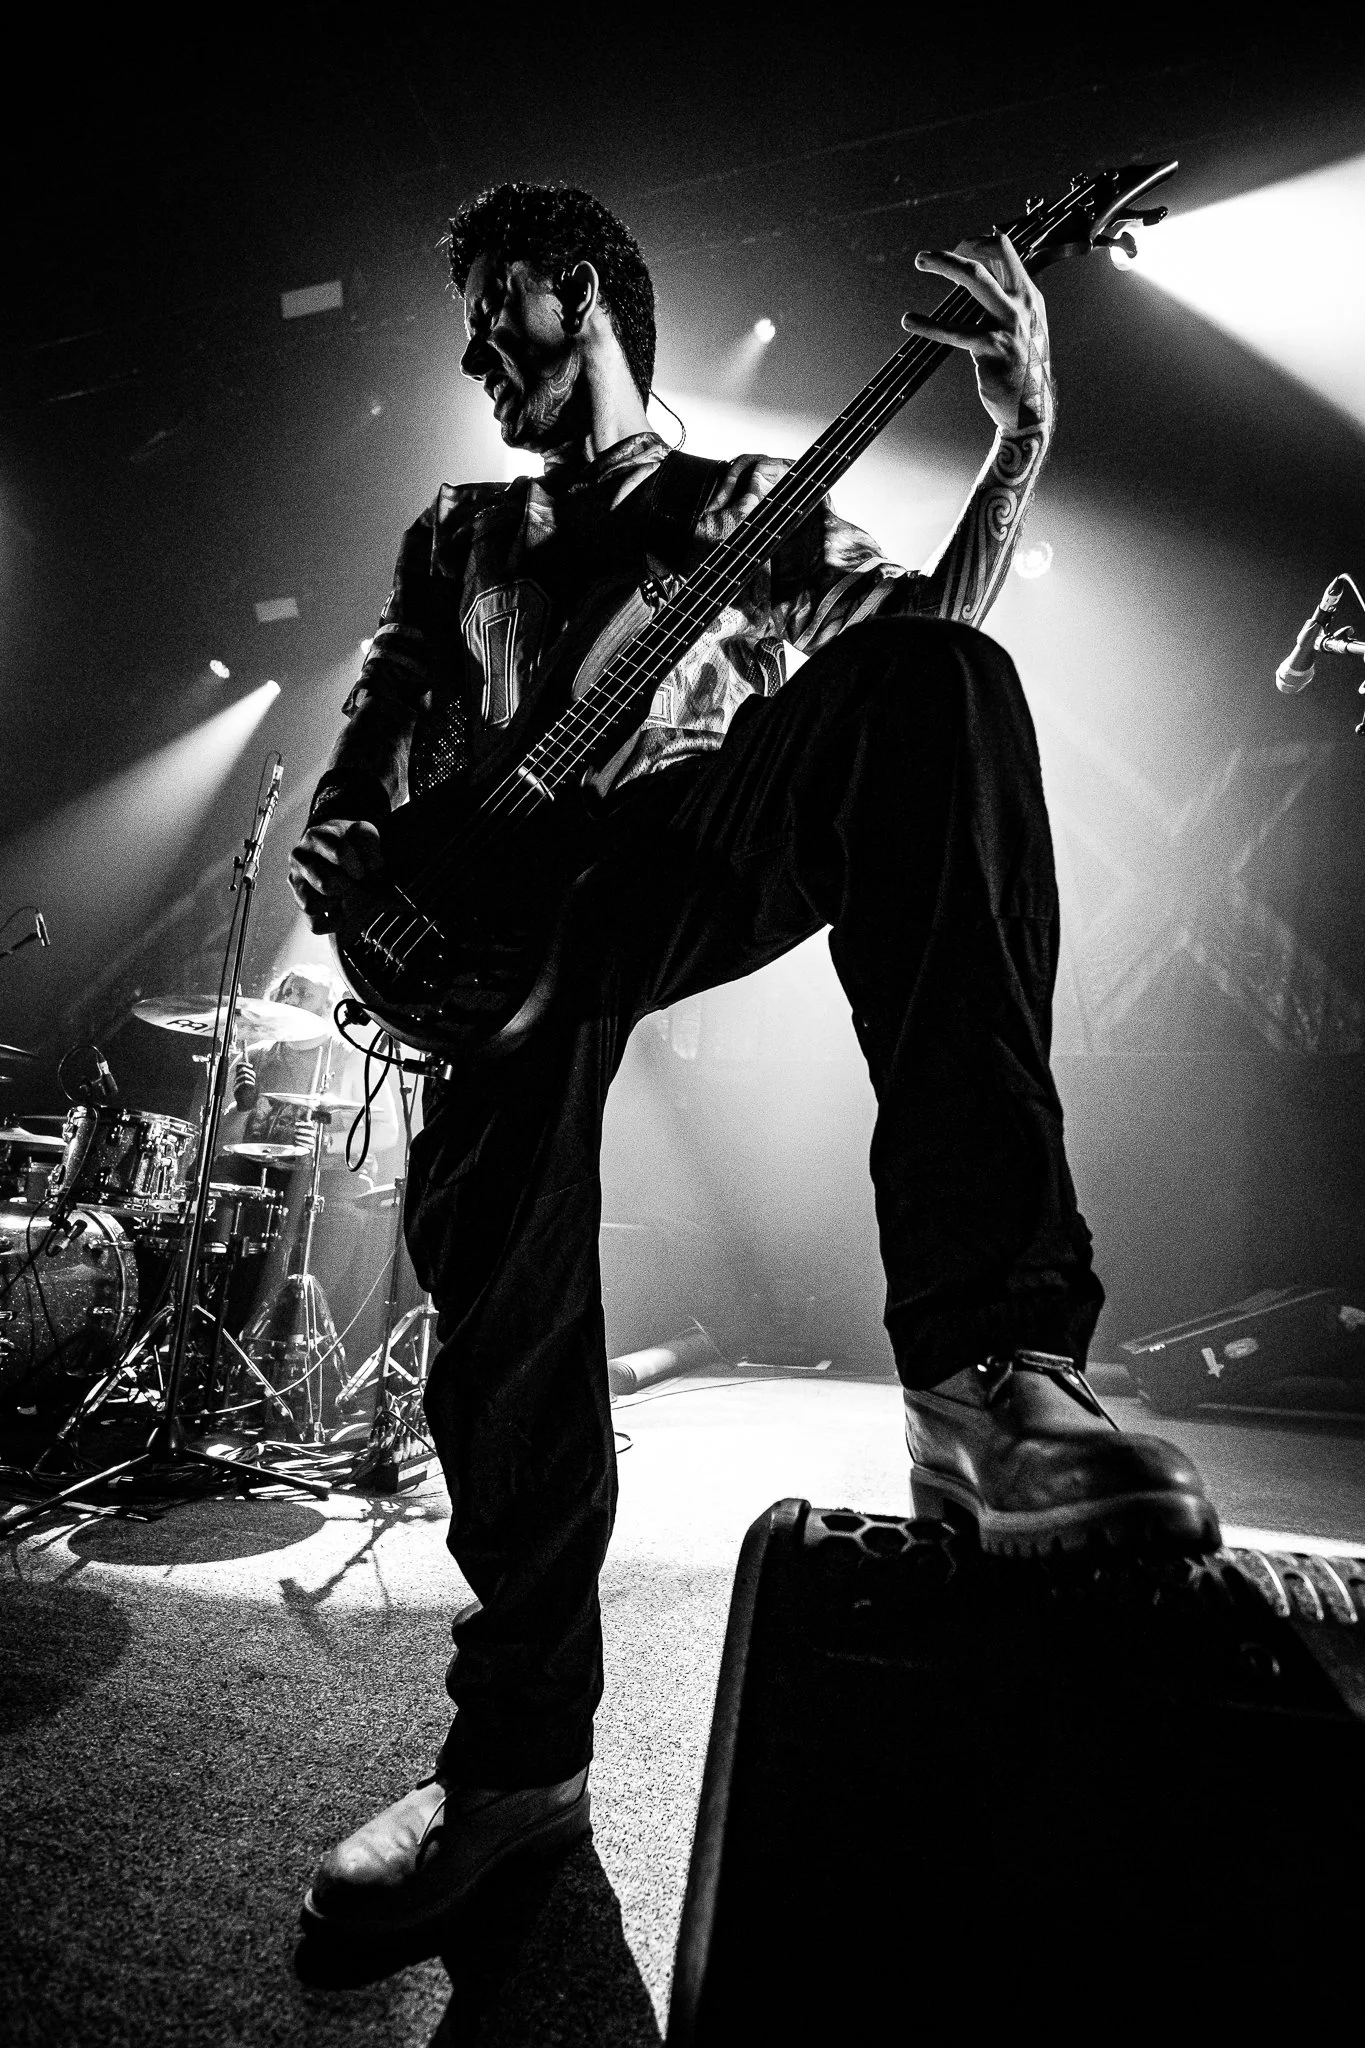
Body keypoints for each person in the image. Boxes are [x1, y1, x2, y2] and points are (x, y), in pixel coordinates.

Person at [287, 182, 1219, 1949]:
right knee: (501, 1316)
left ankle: (990, 1376)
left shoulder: (738, 505)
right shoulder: (461, 528)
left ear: (580, 288)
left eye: (496, 311)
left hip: (675, 849)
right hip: (485, 919)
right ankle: (517, 1769)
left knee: (940, 690)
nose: (476, 354)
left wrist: (1019, 441)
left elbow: (925, 635)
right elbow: (381, 715)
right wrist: (349, 846)